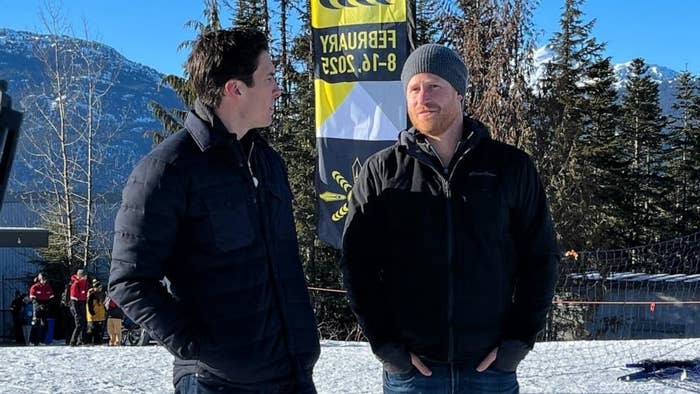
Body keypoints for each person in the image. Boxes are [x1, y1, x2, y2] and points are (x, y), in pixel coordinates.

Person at [108, 27, 320, 393]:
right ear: (235, 89)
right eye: (269, 78)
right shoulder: (167, 170)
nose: (277, 89)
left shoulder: (268, 162)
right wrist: (201, 349)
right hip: (217, 383)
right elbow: (129, 281)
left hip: (292, 375)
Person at [341, 44, 560, 394]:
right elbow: (357, 265)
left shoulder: (510, 167)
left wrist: (518, 341)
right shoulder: (381, 172)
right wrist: (386, 346)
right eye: (413, 88)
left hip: (490, 369)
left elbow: (541, 258)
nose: (422, 97)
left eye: (434, 86)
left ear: (459, 92)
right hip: (413, 372)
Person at [28, 272, 54, 345]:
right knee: (35, 324)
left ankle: (42, 341)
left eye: (45, 280)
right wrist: (39, 306)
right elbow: (33, 299)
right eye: (43, 280)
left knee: (45, 324)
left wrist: (47, 305)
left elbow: (51, 298)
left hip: (45, 307)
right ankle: (32, 341)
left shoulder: (48, 287)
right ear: (40, 279)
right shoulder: (35, 287)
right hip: (37, 307)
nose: (44, 281)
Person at [68, 269, 88, 346]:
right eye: (84, 276)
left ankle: (81, 340)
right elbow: (73, 299)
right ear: (80, 276)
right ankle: (72, 341)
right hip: (76, 305)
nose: (86, 277)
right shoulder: (75, 284)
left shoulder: (85, 283)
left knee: (83, 324)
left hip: (82, 304)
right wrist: (76, 313)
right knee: (78, 324)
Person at [86, 279, 106, 345]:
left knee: (98, 331)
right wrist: (92, 313)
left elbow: (103, 305)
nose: (100, 289)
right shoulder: (91, 294)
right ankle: (89, 342)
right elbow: (89, 306)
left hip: (100, 316)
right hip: (93, 316)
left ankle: (97, 342)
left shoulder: (101, 294)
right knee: (91, 330)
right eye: (99, 287)